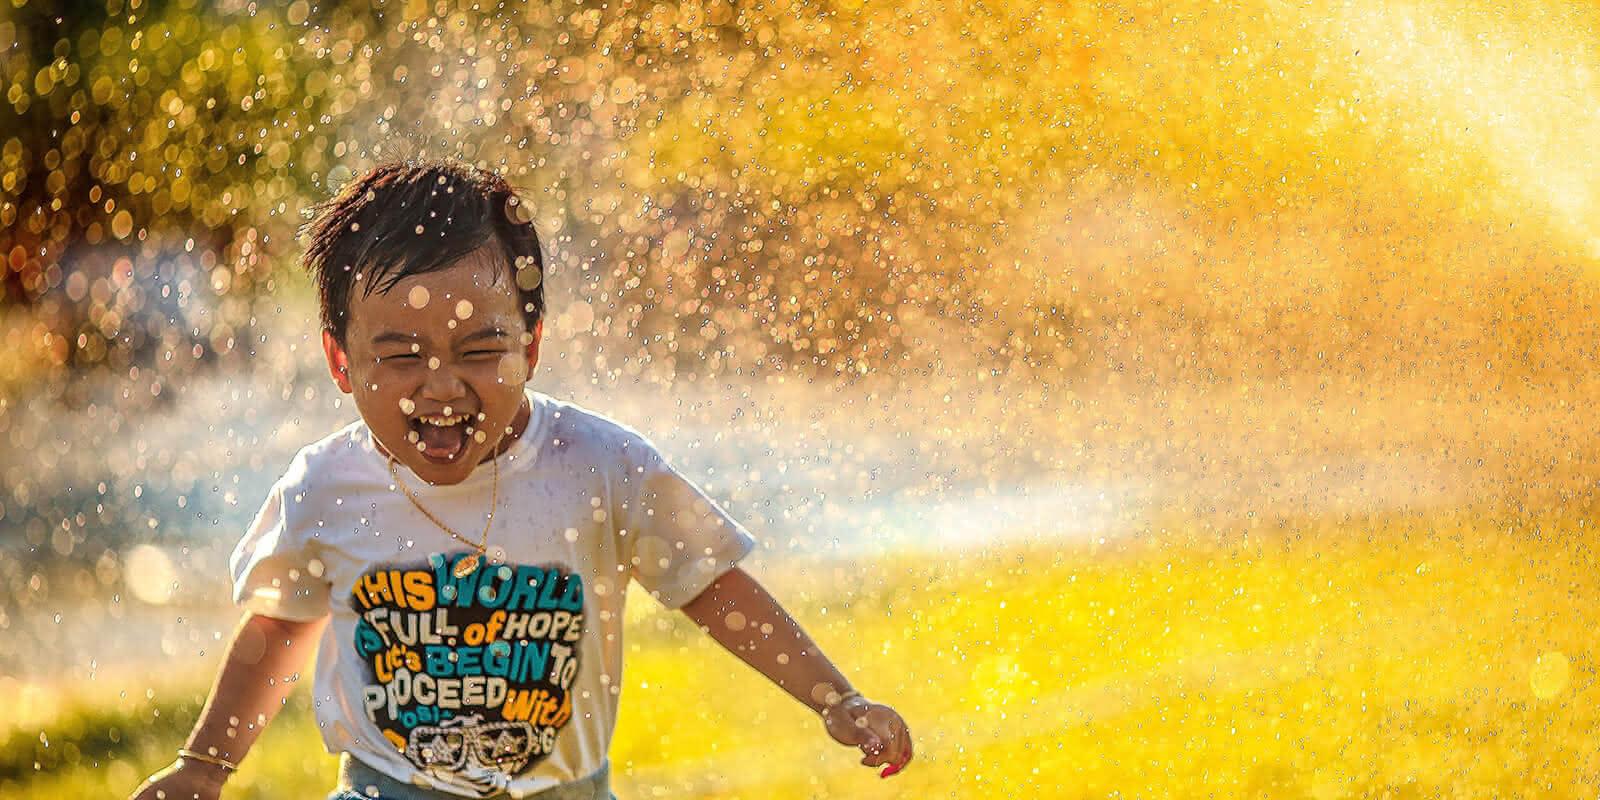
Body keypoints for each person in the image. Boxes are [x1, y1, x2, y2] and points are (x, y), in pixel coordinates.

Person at [129, 158, 912, 800]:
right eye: (400, 355)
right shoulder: (327, 488)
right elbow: (278, 628)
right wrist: (204, 768)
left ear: (531, 346)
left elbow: (712, 583)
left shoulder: (600, 466)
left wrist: (835, 697)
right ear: (341, 361)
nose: (439, 389)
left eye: (478, 350)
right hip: (386, 791)